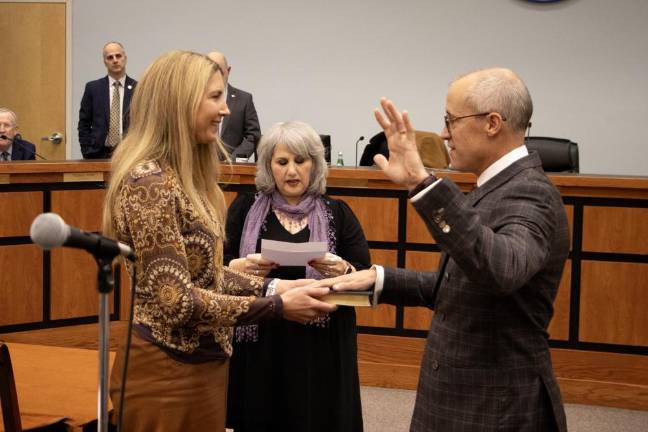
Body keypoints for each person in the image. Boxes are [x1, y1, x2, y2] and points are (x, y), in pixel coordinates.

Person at [319, 68, 570, 431]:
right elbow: (460, 285)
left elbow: (498, 269)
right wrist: (379, 279)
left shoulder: (533, 194)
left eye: (451, 120)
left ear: (492, 123)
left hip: (494, 407)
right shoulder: (496, 186)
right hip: (463, 398)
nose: (443, 133)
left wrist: (423, 183)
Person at [102, 51, 336, 432]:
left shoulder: (186, 179)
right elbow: (176, 301)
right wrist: (276, 305)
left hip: (203, 365)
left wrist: (276, 285)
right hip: (167, 374)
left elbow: (209, 276)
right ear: (179, 102)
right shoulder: (149, 183)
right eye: (214, 97)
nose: (226, 110)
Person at [224, 121, 370, 432]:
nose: (292, 171)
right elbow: (215, 268)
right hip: (262, 338)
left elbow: (363, 280)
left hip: (320, 345)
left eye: (301, 161)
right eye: (282, 162)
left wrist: (341, 270)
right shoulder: (245, 207)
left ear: (314, 165)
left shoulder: (338, 212)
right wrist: (238, 266)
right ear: (268, 166)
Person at [78, 41, 137, 159]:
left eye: (118, 56)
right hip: (98, 153)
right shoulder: (93, 88)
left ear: (125, 58)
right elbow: (84, 123)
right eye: (110, 57)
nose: (115, 60)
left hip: (129, 154)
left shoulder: (138, 88)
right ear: (105, 62)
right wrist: (87, 150)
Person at [206, 50, 261, 160]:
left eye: (219, 71)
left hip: (233, 169)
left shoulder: (244, 99)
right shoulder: (196, 99)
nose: (215, 76)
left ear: (228, 71)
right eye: (210, 71)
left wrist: (233, 159)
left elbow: (252, 136)